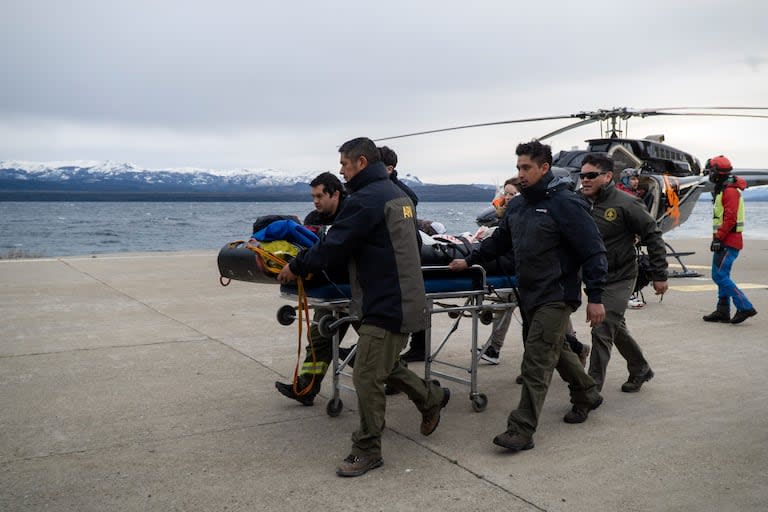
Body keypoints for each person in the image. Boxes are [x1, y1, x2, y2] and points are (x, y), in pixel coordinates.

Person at [277, 137, 450, 477]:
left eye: (343, 163)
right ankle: (429, 398)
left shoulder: (365, 200)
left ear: (359, 162)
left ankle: (367, 449)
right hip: (396, 295)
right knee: (382, 364)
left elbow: (334, 245)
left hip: (387, 300)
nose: (341, 170)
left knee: (366, 374)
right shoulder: (396, 194)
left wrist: (296, 266)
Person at [449, 140, 607, 452]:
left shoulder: (566, 204)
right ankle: (587, 392)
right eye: (518, 167)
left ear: (544, 168)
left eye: (526, 168)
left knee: (536, 359)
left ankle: (521, 429)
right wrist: (469, 259)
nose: (521, 174)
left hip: (557, 294)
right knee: (556, 349)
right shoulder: (518, 206)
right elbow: (499, 241)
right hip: (529, 292)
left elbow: (594, 251)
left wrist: (596, 296)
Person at [579, 153, 668, 393]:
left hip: (621, 276)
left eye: (591, 175)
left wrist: (660, 274)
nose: (584, 180)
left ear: (607, 176)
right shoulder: (579, 202)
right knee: (615, 327)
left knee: (602, 327)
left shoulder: (626, 203)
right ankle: (640, 368)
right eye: (582, 175)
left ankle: (589, 392)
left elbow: (653, 234)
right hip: (594, 278)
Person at [274, 172, 351, 405]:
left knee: (374, 346)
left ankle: (405, 382)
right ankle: (306, 388)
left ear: (335, 194)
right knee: (318, 339)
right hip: (329, 287)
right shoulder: (313, 219)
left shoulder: (351, 215)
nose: (315, 201)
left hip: (355, 288)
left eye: (319, 196)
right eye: (313, 196)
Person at [380, 145, 426, 363]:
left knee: (409, 303)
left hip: (405, 252)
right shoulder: (397, 190)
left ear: (389, 169)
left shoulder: (397, 192)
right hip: (407, 248)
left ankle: (413, 349)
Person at [702, 155, 758, 324]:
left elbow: (730, 218)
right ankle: (722, 310)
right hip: (725, 239)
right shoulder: (724, 188)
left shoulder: (730, 191)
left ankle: (745, 307)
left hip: (728, 240)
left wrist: (718, 237)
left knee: (719, 276)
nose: (709, 174)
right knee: (721, 274)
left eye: (710, 171)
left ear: (717, 173)